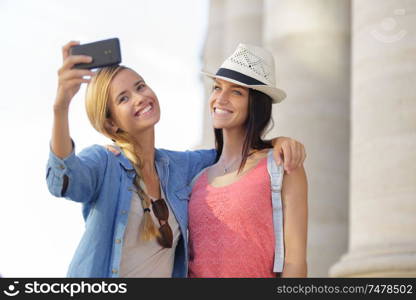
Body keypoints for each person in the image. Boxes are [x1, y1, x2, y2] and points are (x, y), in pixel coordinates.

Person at [46, 41, 306, 278]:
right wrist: (60, 108)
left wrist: (276, 143)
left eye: (140, 86)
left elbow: (239, 155)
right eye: (123, 98)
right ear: (110, 123)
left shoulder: (183, 169)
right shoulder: (104, 162)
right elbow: (63, 182)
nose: (139, 98)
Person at [188, 43, 308, 278]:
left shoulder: (282, 166)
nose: (220, 98)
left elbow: (295, 262)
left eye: (236, 92)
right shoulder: (196, 178)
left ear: (256, 104)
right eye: (217, 87)